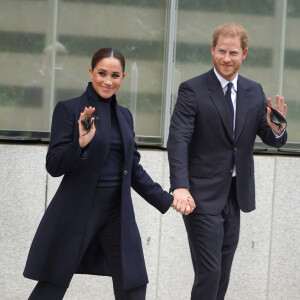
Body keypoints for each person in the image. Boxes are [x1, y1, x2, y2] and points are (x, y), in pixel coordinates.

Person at [23, 48, 189, 300]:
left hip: (117, 212)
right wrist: (79, 144)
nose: (108, 81)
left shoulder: (125, 116)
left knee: (133, 285)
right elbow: (54, 166)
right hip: (78, 210)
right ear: (91, 72)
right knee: (52, 286)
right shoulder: (69, 109)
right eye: (101, 73)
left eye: (115, 75)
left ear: (123, 77)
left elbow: (133, 169)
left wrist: (167, 199)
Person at [167, 23, 287, 300]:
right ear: (212, 50)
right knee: (209, 272)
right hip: (201, 194)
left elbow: (270, 137)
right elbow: (178, 140)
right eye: (221, 51)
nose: (226, 58)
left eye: (233, 52)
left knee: (222, 270)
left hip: (235, 194)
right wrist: (180, 186)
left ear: (244, 54)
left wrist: (278, 128)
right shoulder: (192, 90)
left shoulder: (254, 92)